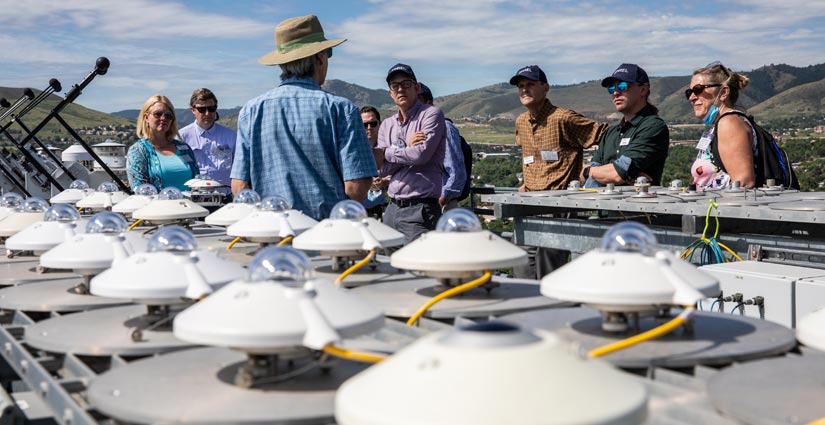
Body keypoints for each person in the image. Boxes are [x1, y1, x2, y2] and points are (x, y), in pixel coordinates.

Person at [229, 14, 376, 221]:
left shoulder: (251, 111)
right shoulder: (341, 109)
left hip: (272, 234)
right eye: (327, 53)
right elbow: (356, 187)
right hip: (326, 235)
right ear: (319, 58)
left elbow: (240, 187)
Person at [510, 64, 608, 279]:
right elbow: (529, 156)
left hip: (557, 202)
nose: (524, 89)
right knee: (521, 265)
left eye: (530, 85)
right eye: (521, 86)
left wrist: (599, 168)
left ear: (545, 87)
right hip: (528, 202)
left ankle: (553, 310)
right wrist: (527, 180)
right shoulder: (521, 121)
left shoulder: (563, 118)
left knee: (549, 269)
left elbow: (606, 134)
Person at [376, 63, 446, 244]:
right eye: (395, 86)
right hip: (391, 209)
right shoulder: (386, 125)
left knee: (418, 268)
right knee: (392, 267)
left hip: (420, 210)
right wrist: (407, 147)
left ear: (416, 87)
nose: (401, 89)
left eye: (406, 84)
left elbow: (421, 155)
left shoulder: (431, 115)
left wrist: (387, 152)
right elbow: (381, 170)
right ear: (390, 93)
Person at [581, 63, 669, 187]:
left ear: (643, 90)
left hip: (638, 205)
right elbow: (585, 176)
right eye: (611, 89)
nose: (615, 93)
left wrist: (589, 171)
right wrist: (591, 172)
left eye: (622, 86)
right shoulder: (610, 134)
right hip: (604, 205)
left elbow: (617, 174)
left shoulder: (653, 127)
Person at [687, 61, 755, 188]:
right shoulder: (720, 124)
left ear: (723, 93)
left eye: (698, 90)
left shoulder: (729, 124)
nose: (691, 97)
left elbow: (743, 184)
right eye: (689, 92)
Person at [126, 95, 199, 191]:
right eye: (158, 114)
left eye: (168, 115)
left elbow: (198, 181)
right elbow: (140, 190)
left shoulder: (184, 148)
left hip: (190, 205)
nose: (163, 118)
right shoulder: (138, 151)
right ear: (146, 117)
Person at [417, 83, 467, 212]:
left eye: (418, 102)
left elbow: (456, 171)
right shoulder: (418, 130)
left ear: (429, 102)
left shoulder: (444, 127)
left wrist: (443, 198)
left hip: (441, 204)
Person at [179, 88, 236, 192]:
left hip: (224, 197)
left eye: (211, 109)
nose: (207, 113)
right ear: (193, 110)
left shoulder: (232, 137)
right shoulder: (181, 137)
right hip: (192, 197)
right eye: (202, 109)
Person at [360, 105, 387, 219]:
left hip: (382, 210)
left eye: (373, 123)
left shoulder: (389, 149)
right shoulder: (351, 151)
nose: (369, 127)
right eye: (364, 125)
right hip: (359, 211)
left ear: (379, 124)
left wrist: (385, 181)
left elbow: (400, 174)